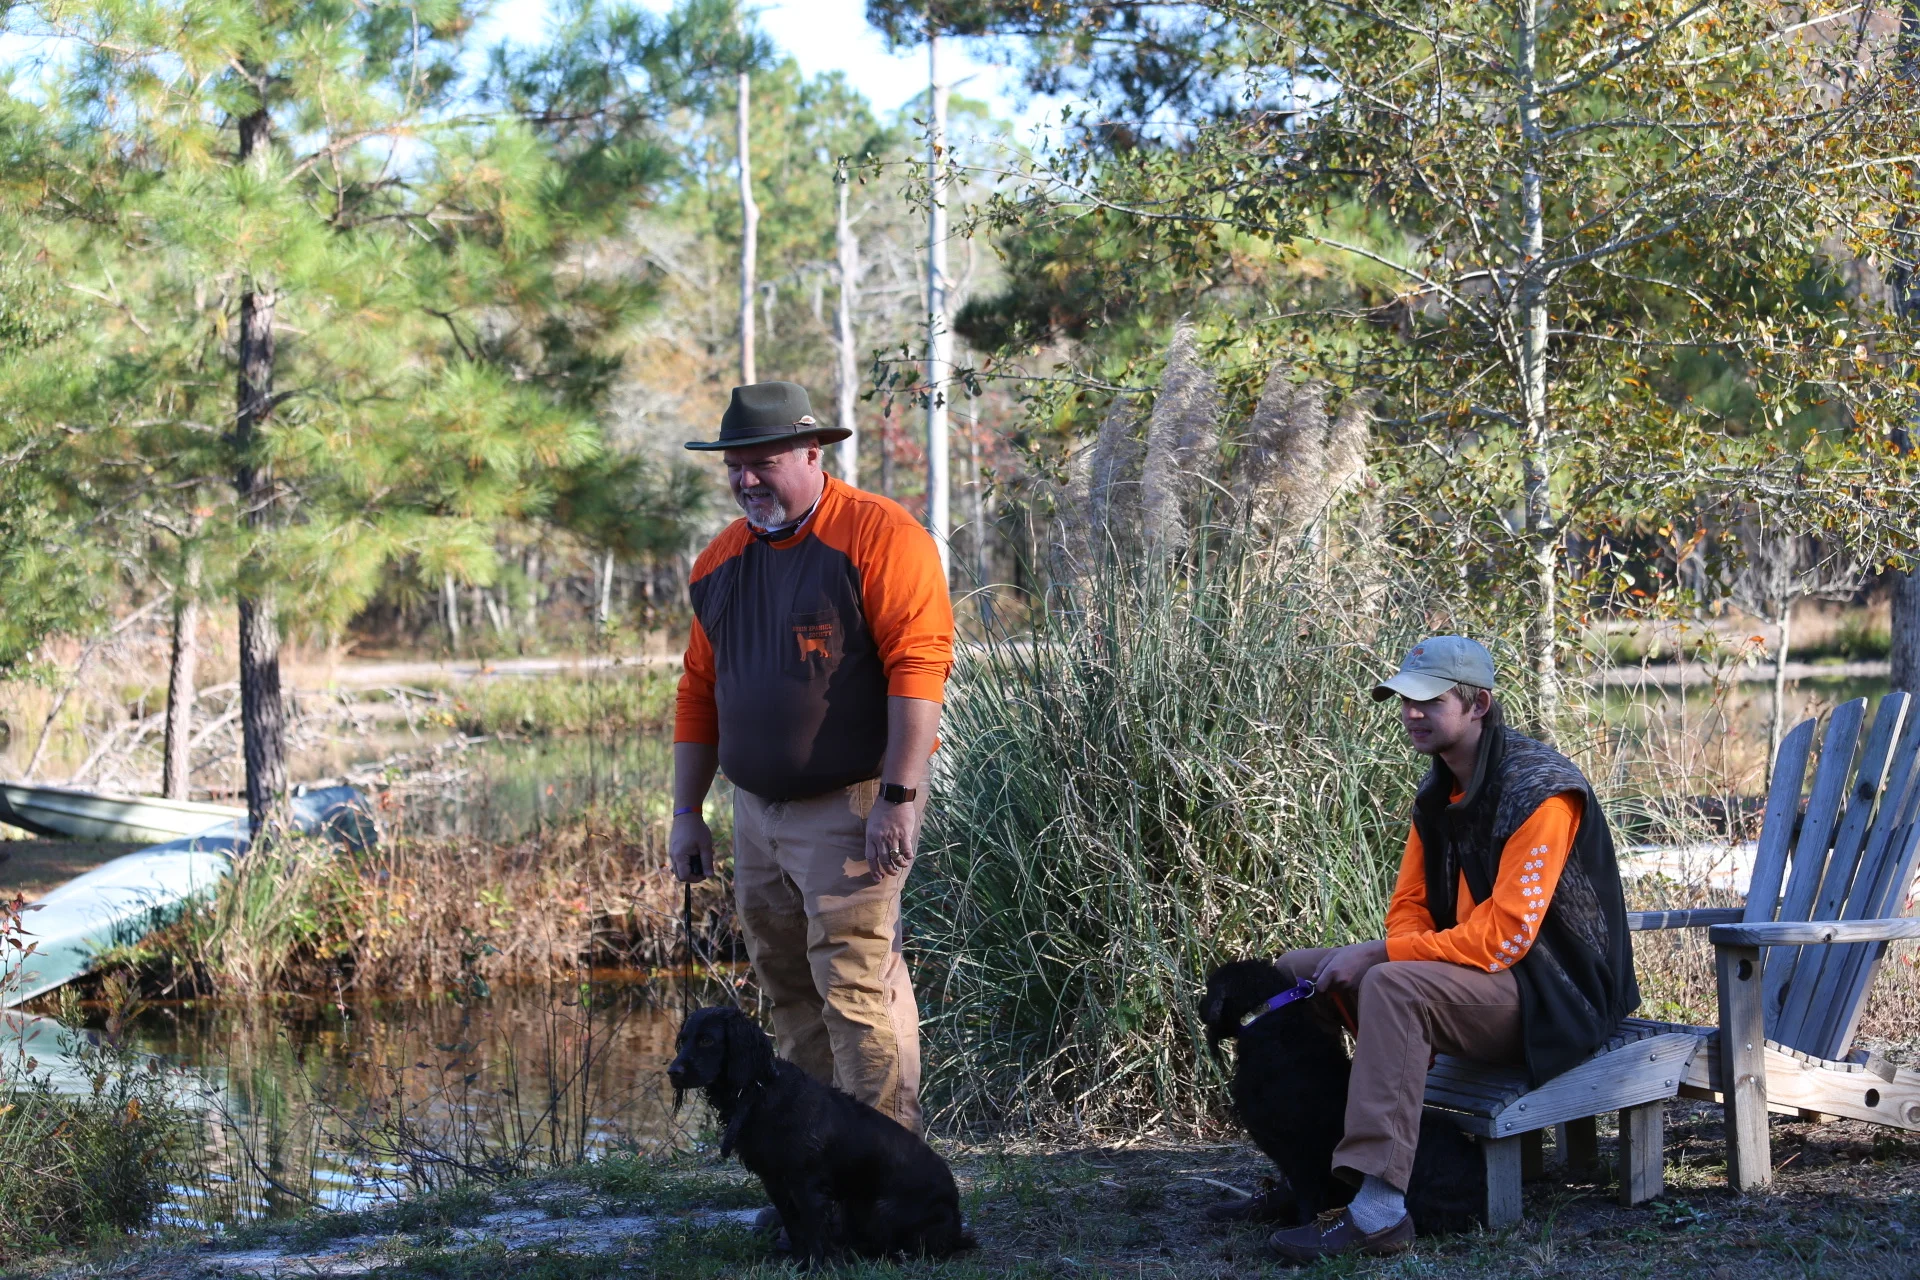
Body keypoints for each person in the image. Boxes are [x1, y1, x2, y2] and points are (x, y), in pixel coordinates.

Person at [1243, 636, 1638, 1262]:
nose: (1411, 714)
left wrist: (1381, 957)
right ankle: (1313, 1178)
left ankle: (1377, 1212)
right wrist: (1379, 952)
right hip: (1489, 982)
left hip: (1556, 997)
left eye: (1429, 701)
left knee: (1390, 984)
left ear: (1479, 704)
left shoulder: (1544, 792)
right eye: (1403, 700)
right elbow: (1409, 907)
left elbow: (1506, 936)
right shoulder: (1439, 797)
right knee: (1300, 972)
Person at [668, 380, 953, 1137]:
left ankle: (889, 1167)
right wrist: (686, 812)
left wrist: (899, 795)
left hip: (854, 804)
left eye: (762, 461)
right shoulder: (719, 563)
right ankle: (818, 1156)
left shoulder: (880, 536)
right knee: (788, 987)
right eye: (734, 464)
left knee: (857, 985)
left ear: (811, 451)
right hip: (756, 813)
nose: (745, 478)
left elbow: (919, 668)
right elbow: (698, 691)